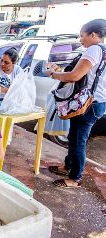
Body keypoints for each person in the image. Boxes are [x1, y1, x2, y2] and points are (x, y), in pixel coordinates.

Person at [46, 19, 106, 188]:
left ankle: (75, 178)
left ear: (93, 35)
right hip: (96, 102)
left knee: (79, 140)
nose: (81, 40)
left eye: (82, 35)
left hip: (89, 104)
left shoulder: (94, 50)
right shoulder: (103, 51)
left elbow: (74, 76)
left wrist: (53, 74)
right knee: (73, 136)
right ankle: (68, 166)